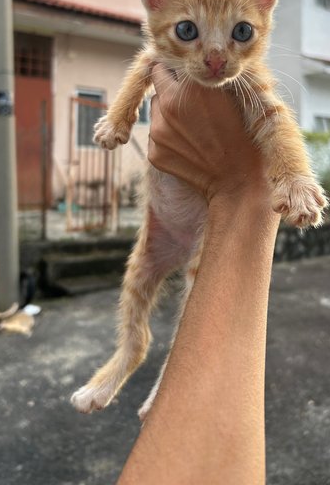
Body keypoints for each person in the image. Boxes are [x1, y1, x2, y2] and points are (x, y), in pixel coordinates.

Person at [118, 63, 280, 485]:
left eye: (239, 32)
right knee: (160, 295)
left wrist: (249, 188)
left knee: (192, 304)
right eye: (188, 30)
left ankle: (160, 389)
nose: (213, 56)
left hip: (203, 213)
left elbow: (275, 120)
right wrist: (120, 117)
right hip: (180, 211)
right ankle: (139, 370)